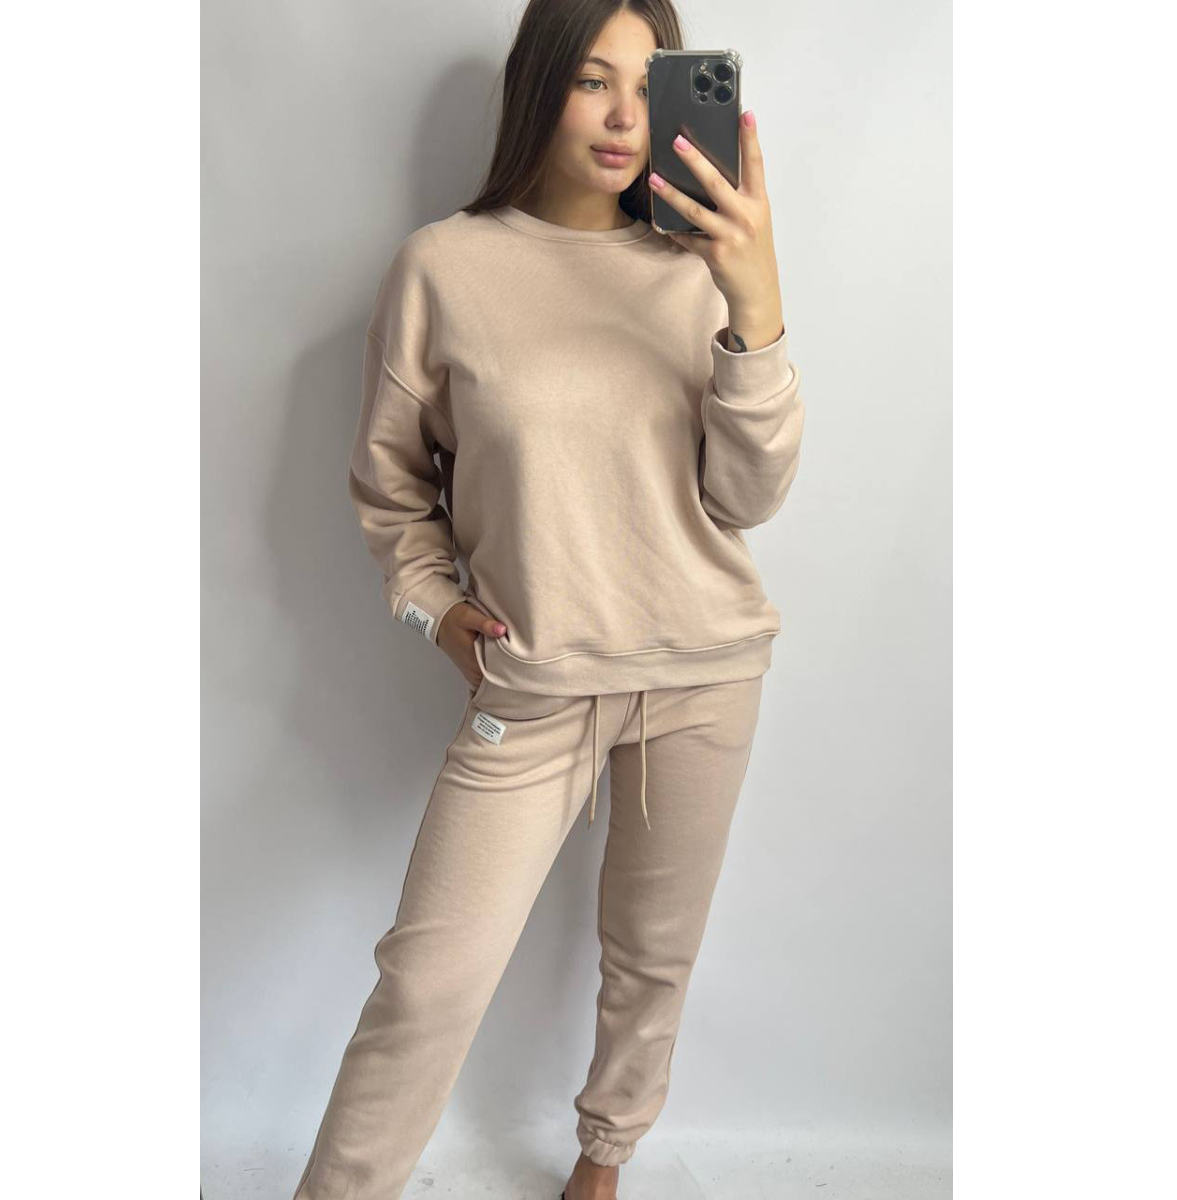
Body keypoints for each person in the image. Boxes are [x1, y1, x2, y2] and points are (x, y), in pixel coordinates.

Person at [291, 1, 804, 1197]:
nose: (625, 116)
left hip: (704, 674)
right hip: (532, 686)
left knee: (651, 960)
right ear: (539, 89)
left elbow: (750, 496)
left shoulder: (701, 272)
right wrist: (432, 609)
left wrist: (756, 308)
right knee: (428, 982)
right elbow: (388, 488)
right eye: (590, 81)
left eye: (647, 83)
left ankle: (602, 1163)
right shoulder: (443, 268)